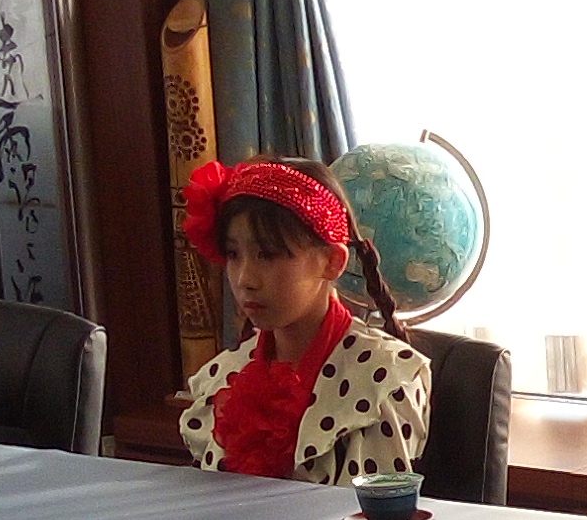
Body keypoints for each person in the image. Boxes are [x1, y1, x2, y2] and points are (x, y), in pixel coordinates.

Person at [174, 158, 431, 483]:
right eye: (234, 255)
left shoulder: (385, 381)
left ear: (332, 261)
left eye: (268, 254)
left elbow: (373, 510)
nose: (244, 279)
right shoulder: (223, 376)